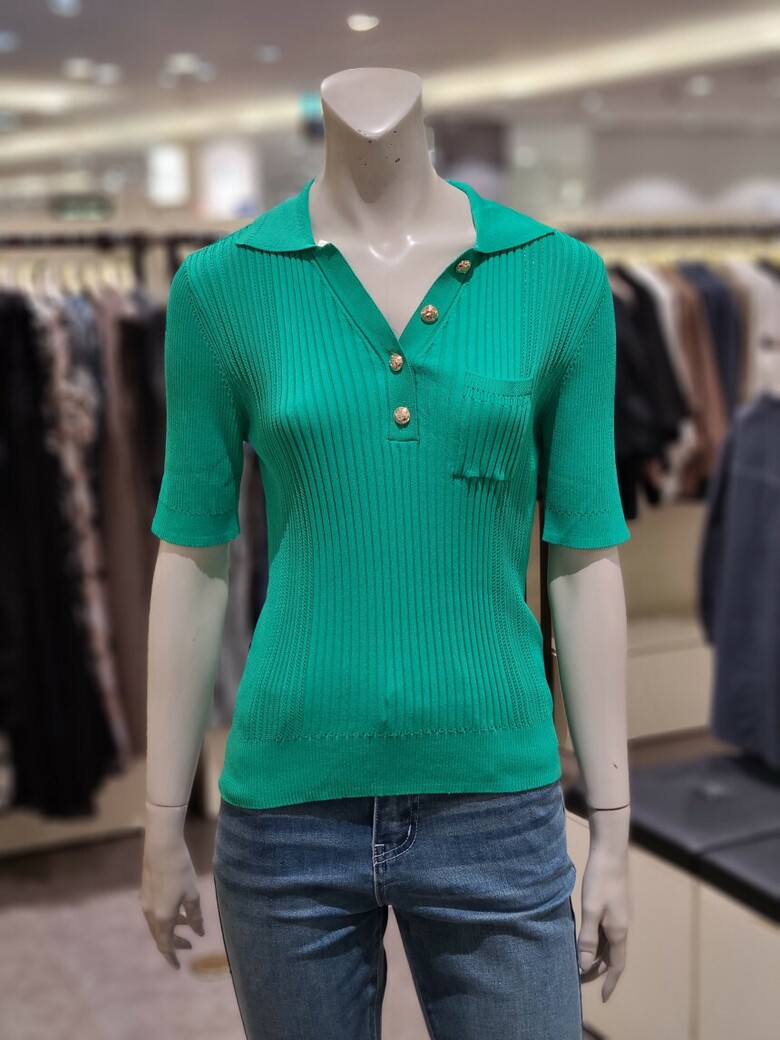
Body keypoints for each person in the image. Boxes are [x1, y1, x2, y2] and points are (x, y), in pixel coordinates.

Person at [141, 66, 632, 1039]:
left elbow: (585, 559)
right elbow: (192, 557)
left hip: (496, 803)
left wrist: (614, 826)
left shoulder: (560, 278)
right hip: (287, 812)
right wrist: (161, 819)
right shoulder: (222, 287)